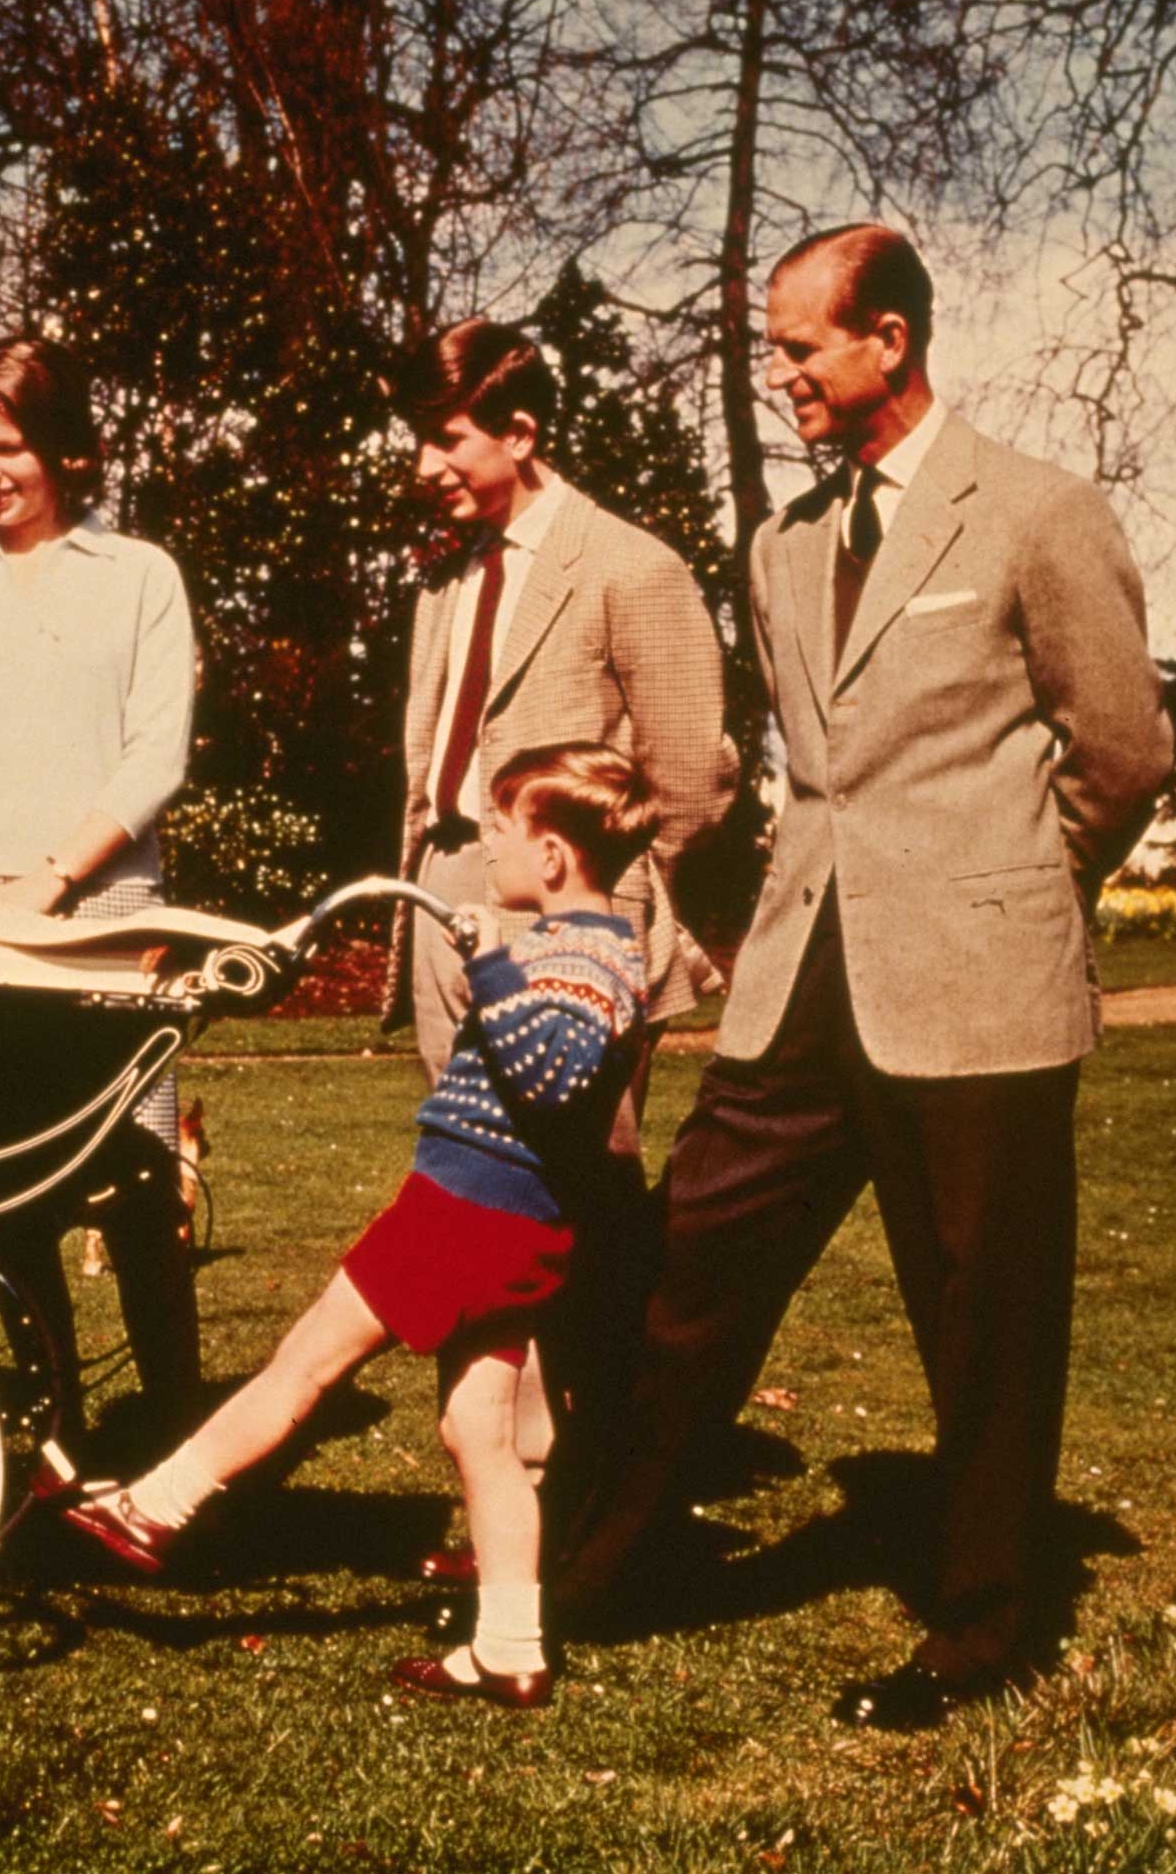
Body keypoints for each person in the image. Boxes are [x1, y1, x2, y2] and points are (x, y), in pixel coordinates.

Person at [553, 224, 1175, 1730]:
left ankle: (981, 1628)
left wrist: (1009, 891)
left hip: (976, 984)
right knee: (684, 1260)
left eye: (800, 348)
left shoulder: (1034, 511)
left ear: (888, 339)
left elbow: (1120, 753)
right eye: (772, 351)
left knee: (981, 1307)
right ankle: (586, 1575)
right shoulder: (780, 544)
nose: (781, 379)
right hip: (798, 978)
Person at [64, 744, 657, 1709]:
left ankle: (152, 1504)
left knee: (301, 1367)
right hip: (510, 1223)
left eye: (499, 831)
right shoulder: (586, 943)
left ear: (552, 855)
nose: (487, 848)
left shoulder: (585, 955)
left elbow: (555, 1075)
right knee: (481, 1434)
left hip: (465, 1214)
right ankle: (510, 1645)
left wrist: (491, 968)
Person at [386, 318, 737, 1577]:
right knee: (470, 1188)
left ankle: (610, 1484)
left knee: (584, 1194)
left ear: (520, 432)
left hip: (569, 924)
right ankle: (499, 1497)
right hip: (445, 903)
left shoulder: (628, 567)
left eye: (446, 436)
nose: (421, 459)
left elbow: (689, 776)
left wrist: (597, 910)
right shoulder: (442, 575)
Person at [0, 333, 200, 1412]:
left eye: (5, 444)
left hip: (103, 912)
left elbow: (154, 755)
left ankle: (170, 1427)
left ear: (61, 446)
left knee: (139, 1185)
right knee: (3, 1186)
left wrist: (52, 887)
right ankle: (51, 1425)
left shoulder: (139, 576)